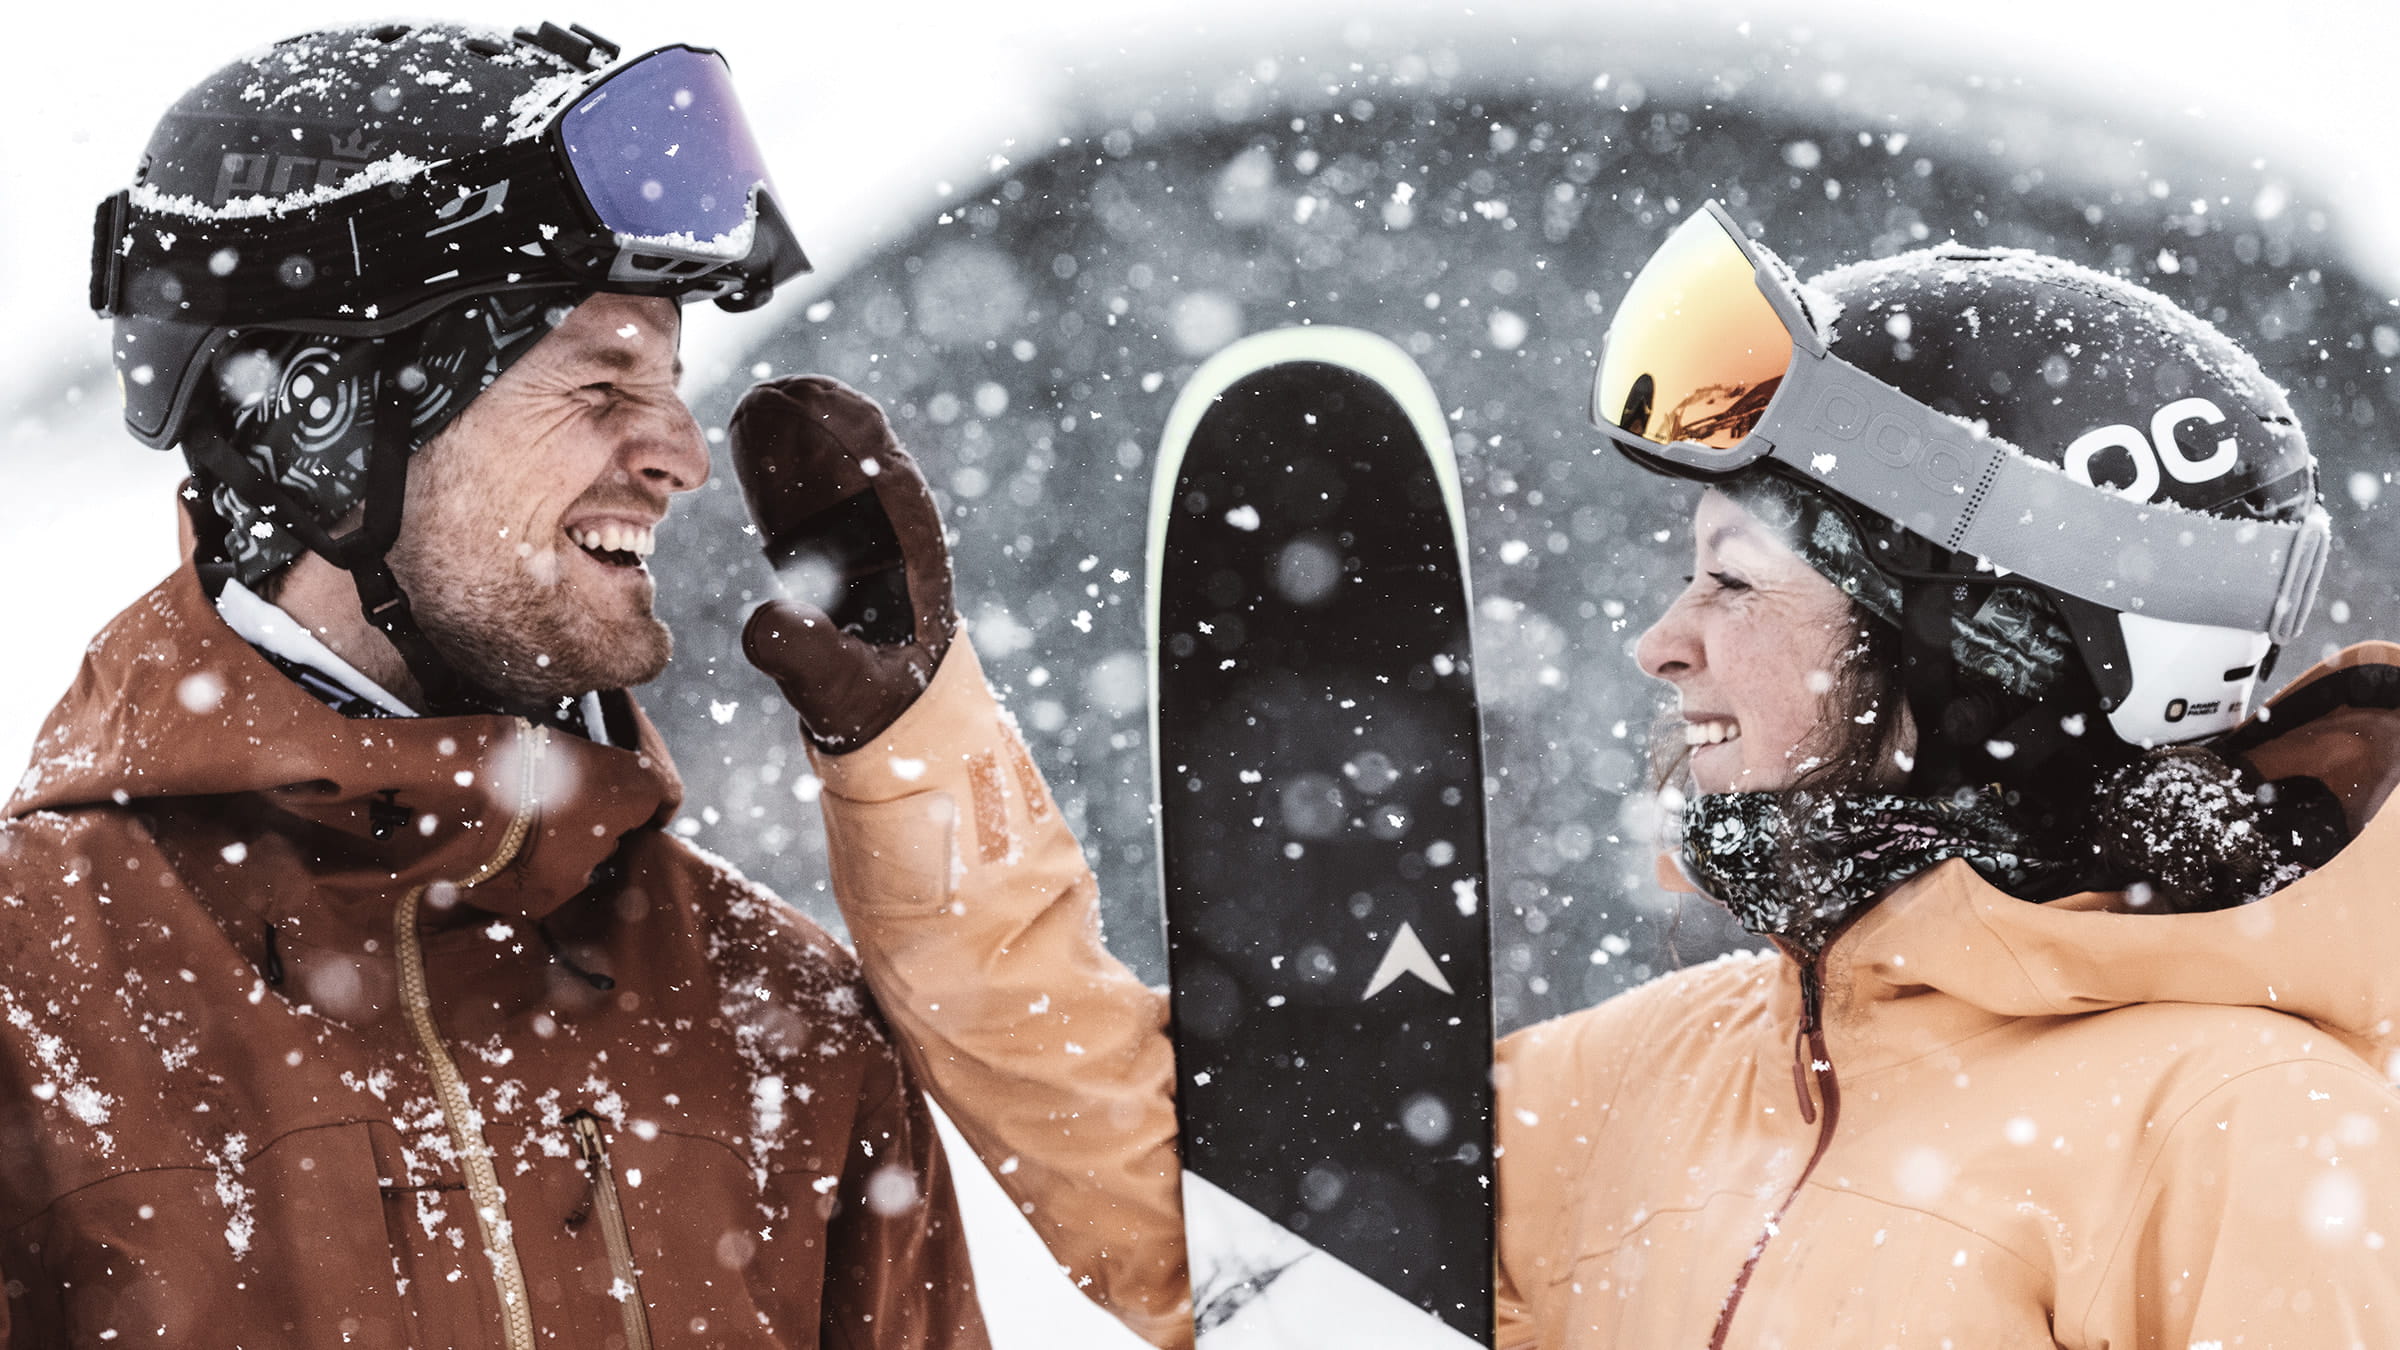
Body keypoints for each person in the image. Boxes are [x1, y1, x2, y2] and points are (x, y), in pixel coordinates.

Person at [809, 202, 2400, 1348]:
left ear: (1979, 644)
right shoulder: (1695, 1068)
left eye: (1735, 577)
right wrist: (908, 749)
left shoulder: (2252, 1132)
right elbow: (1232, 1207)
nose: (1659, 641)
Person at [0, 19, 1117, 1347]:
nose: (685, 456)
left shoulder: (782, 1015)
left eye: (672, 376)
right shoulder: (34, 1003)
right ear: (326, 418)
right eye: (599, 379)